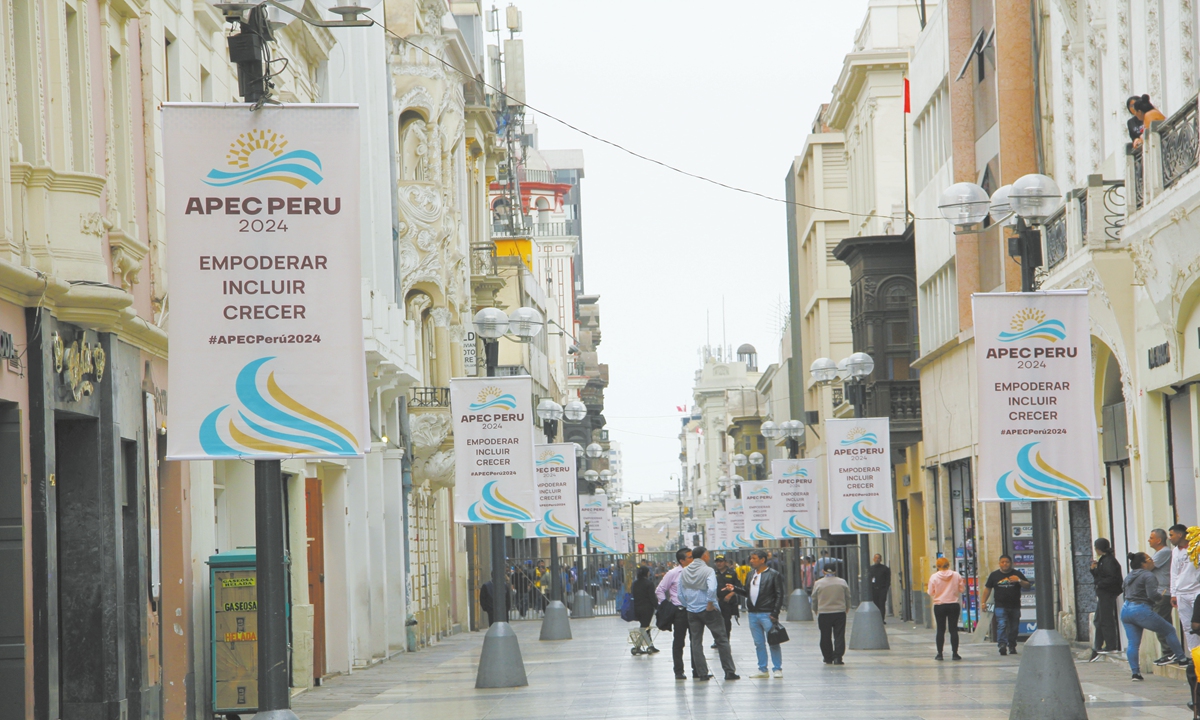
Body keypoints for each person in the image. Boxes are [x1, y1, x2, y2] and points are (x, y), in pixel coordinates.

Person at [1120, 551, 1188, 681]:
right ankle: (1182, 659)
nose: (1152, 561)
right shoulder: (1148, 575)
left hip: (1126, 609)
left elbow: (1125, 591)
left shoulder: (1129, 576)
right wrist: (1160, 597)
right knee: (1169, 630)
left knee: (1133, 643)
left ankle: (1135, 673)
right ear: (1144, 564)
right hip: (1141, 609)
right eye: (1149, 559)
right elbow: (1152, 595)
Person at [680, 545, 738, 680]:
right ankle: (729, 671)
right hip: (708, 610)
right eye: (708, 554)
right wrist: (710, 604)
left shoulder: (685, 571)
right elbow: (712, 589)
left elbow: (680, 593)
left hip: (692, 610)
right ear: (703, 556)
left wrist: (688, 605)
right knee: (722, 640)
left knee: (696, 641)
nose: (709, 557)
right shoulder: (708, 571)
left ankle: (702, 673)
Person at [727, 549, 785, 678]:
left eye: (754, 558)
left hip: (767, 613)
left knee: (773, 640)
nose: (751, 561)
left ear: (762, 560)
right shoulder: (751, 574)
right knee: (758, 643)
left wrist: (775, 613)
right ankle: (762, 669)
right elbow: (747, 592)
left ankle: (777, 668)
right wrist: (735, 589)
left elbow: (779, 595)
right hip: (753, 613)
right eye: (751, 558)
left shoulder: (773, 574)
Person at [980, 554, 1029, 656]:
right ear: (999, 563)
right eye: (1002, 562)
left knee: (1014, 627)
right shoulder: (994, 575)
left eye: (1007, 562)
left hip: (1015, 605)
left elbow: (1028, 585)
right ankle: (1002, 644)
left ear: (1011, 563)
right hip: (1000, 605)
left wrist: (1019, 580)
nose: (1005, 564)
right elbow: (987, 589)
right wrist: (983, 602)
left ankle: (1012, 645)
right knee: (1002, 625)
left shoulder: (1017, 574)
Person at [656, 548, 693, 680]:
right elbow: (660, 590)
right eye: (689, 557)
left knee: (696, 641)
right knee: (679, 641)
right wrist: (666, 605)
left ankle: (698, 670)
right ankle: (678, 670)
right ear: (682, 561)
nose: (692, 559)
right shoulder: (673, 573)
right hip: (680, 611)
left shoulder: (696, 572)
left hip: (694, 610)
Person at [1090, 537, 1124, 661]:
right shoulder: (1103, 560)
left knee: (1106, 619)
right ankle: (1097, 646)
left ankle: (1110, 645)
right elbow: (1101, 575)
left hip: (1107, 593)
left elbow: (1111, 578)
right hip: (1103, 593)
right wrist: (1094, 570)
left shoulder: (1109, 561)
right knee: (1099, 620)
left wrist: (1100, 583)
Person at [927, 557, 966, 661]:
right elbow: (962, 589)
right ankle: (955, 654)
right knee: (953, 629)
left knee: (940, 629)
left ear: (937, 566)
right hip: (953, 604)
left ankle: (939, 654)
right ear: (948, 565)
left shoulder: (934, 577)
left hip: (939, 605)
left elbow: (930, 592)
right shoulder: (956, 575)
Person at [811, 564, 851, 664]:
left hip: (824, 612)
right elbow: (848, 596)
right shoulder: (842, 582)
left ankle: (827, 657)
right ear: (835, 571)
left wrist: (815, 609)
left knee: (825, 636)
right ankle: (838, 657)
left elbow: (814, 598)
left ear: (823, 571)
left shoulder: (818, 583)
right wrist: (847, 607)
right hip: (839, 612)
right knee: (839, 635)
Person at [1170, 524, 1200, 655]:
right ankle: (1194, 655)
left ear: (1180, 534)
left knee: (1197, 625)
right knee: (1187, 627)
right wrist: (1173, 593)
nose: (1169, 538)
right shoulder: (1175, 551)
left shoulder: (1196, 547)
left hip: (1196, 591)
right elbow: (1173, 573)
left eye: (1171, 535)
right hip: (1181, 593)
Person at [1148, 528, 1174, 664]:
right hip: (1159, 593)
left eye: (1151, 538)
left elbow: (1147, 566)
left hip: (1164, 593)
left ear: (1158, 540)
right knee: (1161, 623)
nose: (1149, 540)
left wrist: (1139, 560)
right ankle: (1169, 652)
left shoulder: (1164, 552)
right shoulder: (1159, 553)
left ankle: (1170, 652)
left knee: (1161, 623)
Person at [631, 566, 660, 654]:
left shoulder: (634, 583)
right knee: (645, 627)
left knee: (644, 627)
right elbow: (652, 597)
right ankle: (649, 646)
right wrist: (657, 607)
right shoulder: (649, 583)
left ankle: (639, 646)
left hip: (636, 607)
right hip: (647, 608)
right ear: (646, 573)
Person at [713, 555, 740, 644]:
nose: (719, 563)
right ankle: (717, 640)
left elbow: (738, 587)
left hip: (728, 602)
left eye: (721, 561)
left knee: (726, 621)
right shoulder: (713, 573)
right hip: (716, 601)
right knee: (715, 622)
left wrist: (730, 595)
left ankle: (725, 639)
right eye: (717, 562)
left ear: (725, 562)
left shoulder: (732, 573)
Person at [869, 554, 891, 623]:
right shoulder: (870, 569)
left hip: (882, 589)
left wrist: (885, 589)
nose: (877, 559)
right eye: (875, 558)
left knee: (882, 604)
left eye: (878, 558)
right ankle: (876, 619)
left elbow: (888, 580)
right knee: (875, 604)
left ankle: (881, 619)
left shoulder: (885, 569)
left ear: (881, 559)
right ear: (873, 559)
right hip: (873, 589)